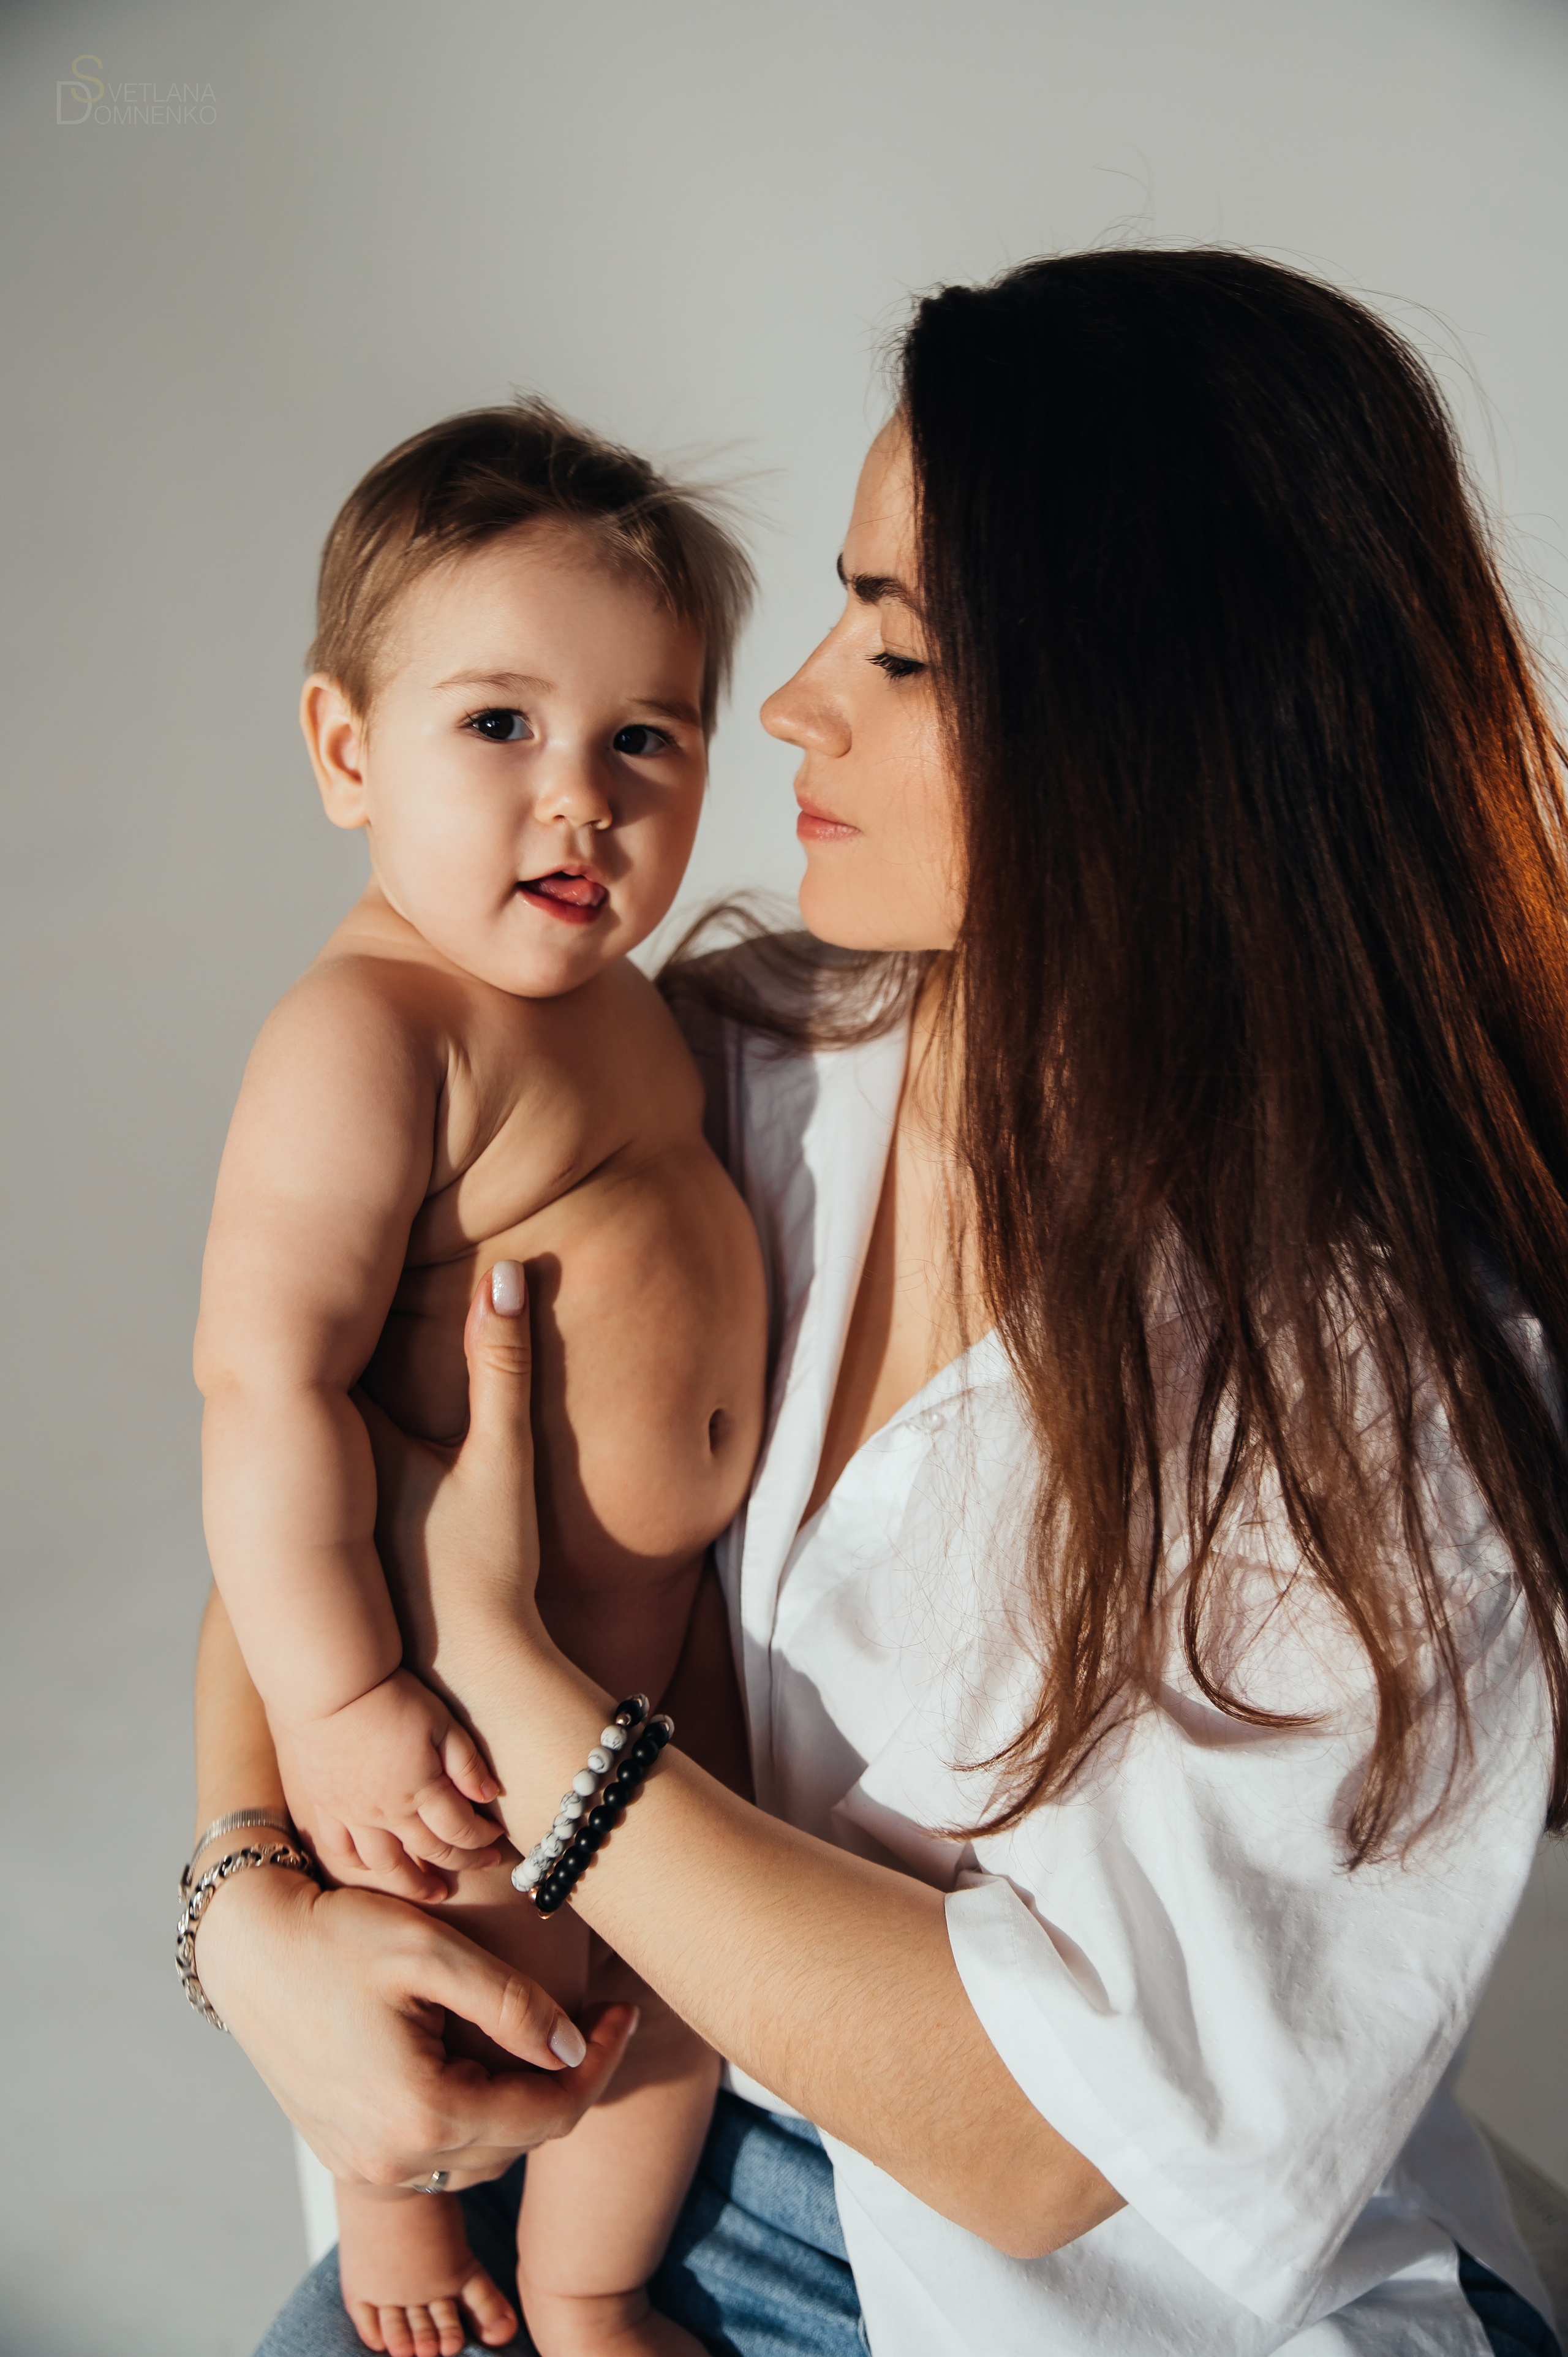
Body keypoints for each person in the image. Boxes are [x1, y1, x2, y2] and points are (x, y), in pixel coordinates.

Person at [189, 251, 1568, 2357]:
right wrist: (245, 1913)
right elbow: (323, 1463)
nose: (794, 703)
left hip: (1106, 2306)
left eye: (903, 654)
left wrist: (509, 1681)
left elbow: (1046, 2147)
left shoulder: (1386, 1382)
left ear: (1154, 722)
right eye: (839, 606)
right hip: (649, 2128)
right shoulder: (721, 1066)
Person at [191, 401, 766, 2357]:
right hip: (461, 1706)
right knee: (465, 1973)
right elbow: (270, 1386)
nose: (579, 802)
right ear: (349, 751)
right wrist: (342, 1700)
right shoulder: (375, 1029)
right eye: (499, 726)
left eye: (645, 741)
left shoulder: (640, 1014)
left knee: (671, 2013)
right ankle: (404, 2239)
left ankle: (587, 2283)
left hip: (659, 1664)